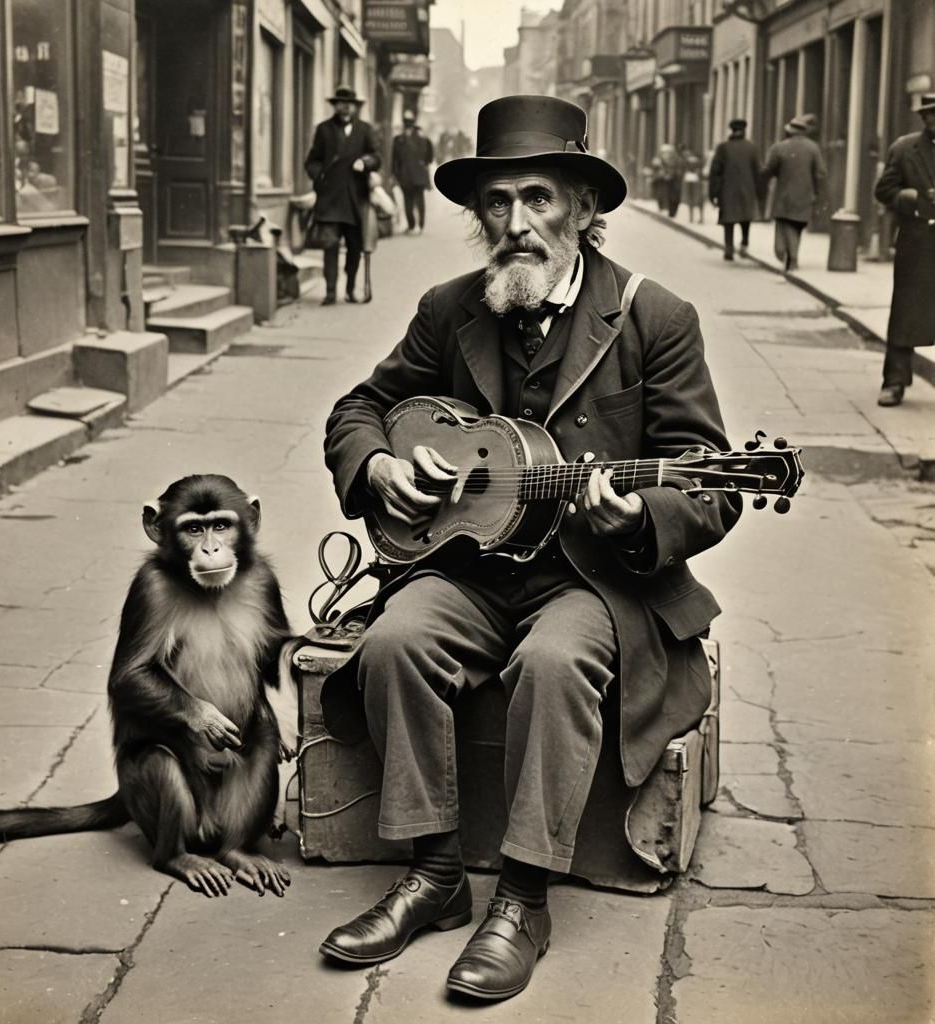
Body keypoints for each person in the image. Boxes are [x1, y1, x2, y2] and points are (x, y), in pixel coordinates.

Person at [318, 95, 741, 1002]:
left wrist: (641, 518)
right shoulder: (450, 310)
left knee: (552, 664)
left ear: (585, 208)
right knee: (394, 640)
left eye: (539, 198)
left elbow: (706, 478)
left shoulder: (651, 317)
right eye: (497, 203)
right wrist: (383, 467)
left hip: (594, 581)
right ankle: (433, 875)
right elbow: (357, 409)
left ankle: (522, 898)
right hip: (470, 568)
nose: (516, 224)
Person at [872, 92, 935, 407]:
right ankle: (895, 381)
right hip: (917, 243)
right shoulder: (904, 148)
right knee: (906, 313)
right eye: (932, 114)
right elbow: (883, 189)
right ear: (924, 118)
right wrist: (907, 198)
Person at [305, 85, 381, 305]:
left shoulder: (365, 130)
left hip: (356, 198)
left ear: (355, 107)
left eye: (350, 104)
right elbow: (312, 161)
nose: (345, 107)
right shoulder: (324, 130)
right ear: (335, 106)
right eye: (341, 103)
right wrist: (320, 178)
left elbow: (377, 157)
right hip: (330, 199)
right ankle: (330, 291)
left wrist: (365, 163)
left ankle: (349, 288)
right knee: (330, 245)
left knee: (355, 246)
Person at [761, 117, 827, 271]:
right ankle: (792, 257)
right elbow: (821, 173)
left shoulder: (778, 147)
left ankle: (790, 257)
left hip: (783, 196)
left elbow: (768, 170)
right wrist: (819, 195)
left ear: (789, 131)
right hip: (805, 196)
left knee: (784, 224)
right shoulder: (813, 148)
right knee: (796, 226)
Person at [708, 118, 762, 261]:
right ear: (744, 131)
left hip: (727, 191)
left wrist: (713, 193)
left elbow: (715, 172)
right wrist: (760, 192)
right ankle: (744, 242)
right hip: (747, 189)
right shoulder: (752, 148)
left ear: (731, 131)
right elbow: (758, 172)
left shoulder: (723, 148)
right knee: (745, 218)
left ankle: (729, 249)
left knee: (728, 220)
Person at [391, 109, 434, 235]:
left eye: (409, 123)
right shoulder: (399, 139)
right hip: (406, 175)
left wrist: (423, 164)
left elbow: (430, 155)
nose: (407, 126)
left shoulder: (421, 138)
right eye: (406, 123)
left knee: (418, 201)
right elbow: (395, 159)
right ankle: (412, 225)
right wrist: (396, 173)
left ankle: (419, 226)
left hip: (417, 174)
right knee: (408, 201)